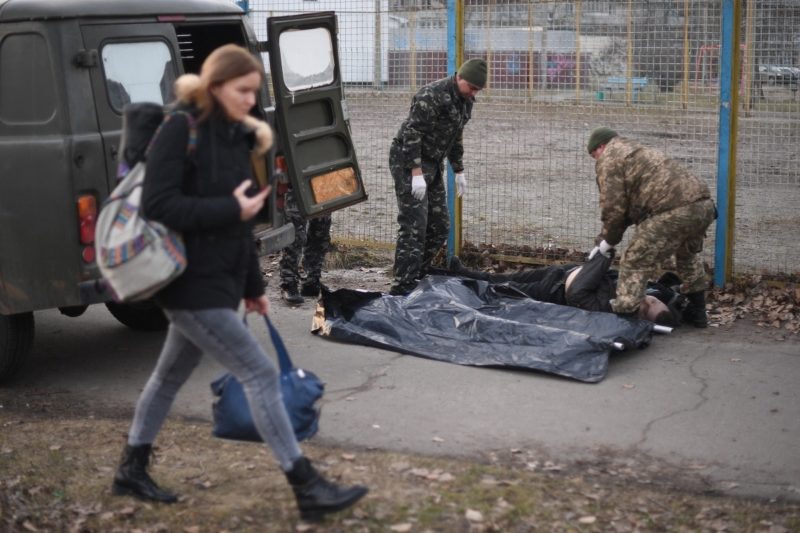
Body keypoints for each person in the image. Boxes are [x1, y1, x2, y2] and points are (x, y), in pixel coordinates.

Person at [112, 44, 367, 521]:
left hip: (221, 278)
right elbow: (159, 206)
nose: (252, 99)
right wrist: (231, 209)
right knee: (260, 374)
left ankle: (131, 468)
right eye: (243, 90)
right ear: (214, 86)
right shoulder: (179, 130)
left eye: (256, 91)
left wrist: (254, 288)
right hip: (187, 282)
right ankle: (306, 486)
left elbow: (242, 224)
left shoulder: (236, 136)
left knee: (167, 377)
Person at [586, 127, 716, 327]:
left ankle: (625, 319)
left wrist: (608, 241)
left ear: (600, 147)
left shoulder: (609, 159)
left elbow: (614, 209)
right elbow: (634, 207)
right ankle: (698, 312)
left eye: (593, 154)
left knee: (635, 259)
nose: (595, 159)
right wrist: (604, 238)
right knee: (686, 255)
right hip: (704, 206)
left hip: (673, 210)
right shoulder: (636, 150)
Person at [389, 58, 487, 295]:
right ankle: (402, 286)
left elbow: (456, 135)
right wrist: (415, 173)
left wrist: (459, 169)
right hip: (408, 160)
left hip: (433, 164)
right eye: (472, 87)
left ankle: (418, 274)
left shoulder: (465, 100)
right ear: (459, 78)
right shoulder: (431, 95)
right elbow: (412, 133)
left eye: (477, 90)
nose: (474, 93)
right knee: (414, 224)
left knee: (440, 225)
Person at [447, 253, 682, 326]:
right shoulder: (643, 294)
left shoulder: (612, 311)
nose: (651, 298)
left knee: (499, 286)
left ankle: (454, 277)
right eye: (655, 300)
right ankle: (461, 272)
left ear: (643, 313)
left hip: (552, 290)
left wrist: (602, 257)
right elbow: (666, 290)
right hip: (562, 273)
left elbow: (578, 292)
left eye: (650, 304)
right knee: (502, 277)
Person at [279, 188, 332, 305]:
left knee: (320, 232)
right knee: (295, 236)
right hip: (295, 184)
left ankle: (311, 281)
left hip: (321, 184)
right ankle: (288, 283)